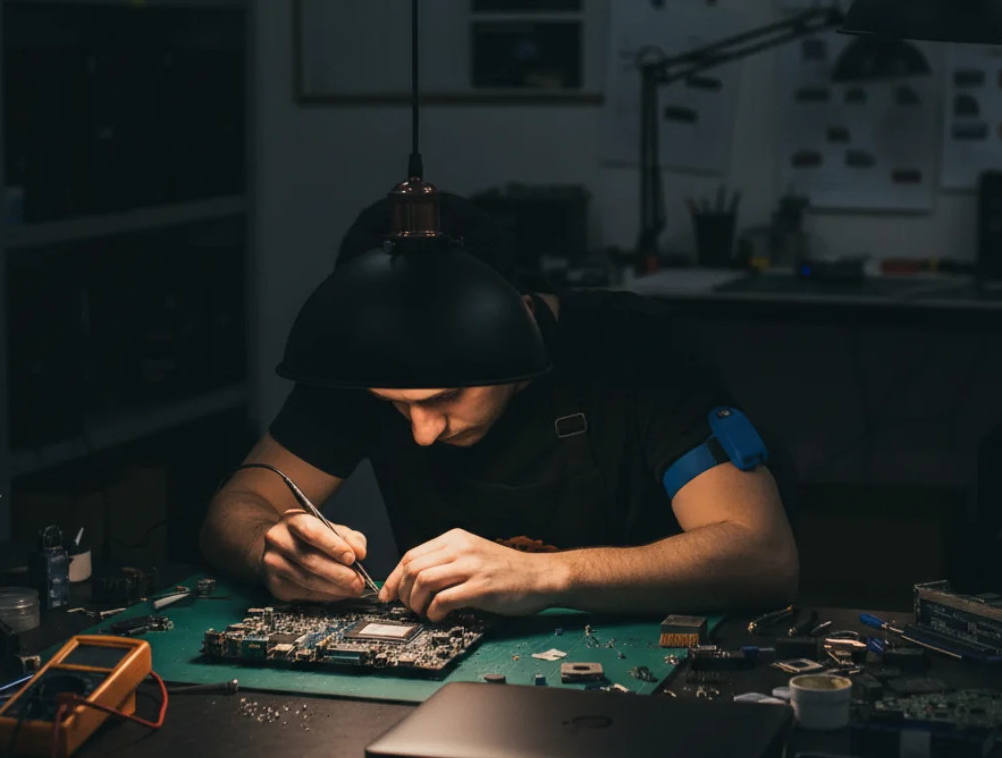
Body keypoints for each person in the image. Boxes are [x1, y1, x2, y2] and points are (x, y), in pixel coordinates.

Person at [200, 194, 798, 623]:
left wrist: (547, 575)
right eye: (396, 407)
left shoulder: (636, 349)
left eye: (445, 397)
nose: (424, 433)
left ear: (520, 318)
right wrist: (272, 550)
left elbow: (763, 555)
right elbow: (234, 508)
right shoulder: (365, 359)